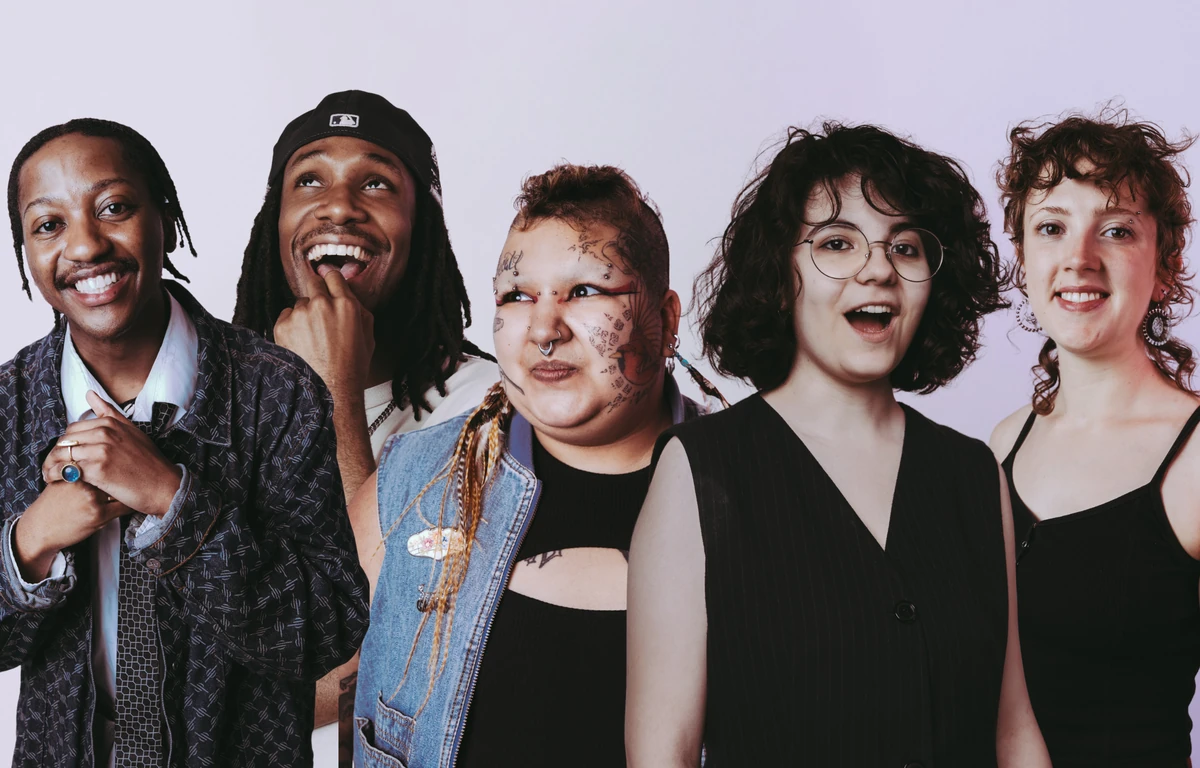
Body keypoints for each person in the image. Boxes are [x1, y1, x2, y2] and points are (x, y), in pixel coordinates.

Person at [626, 123, 1050, 767]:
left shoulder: (972, 472)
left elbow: (1012, 730)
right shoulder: (703, 469)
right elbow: (663, 753)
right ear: (780, 274)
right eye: (837, 243)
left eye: (905, 247)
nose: (878, 269)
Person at [0, 118, 368, 767]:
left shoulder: (277, 391)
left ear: (166, 219)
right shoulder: (9, 404)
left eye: (113, 207)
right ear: (25, 253)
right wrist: (32, 541)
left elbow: (325, 633)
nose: (85, 244)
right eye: (48, 224)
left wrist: (173, 503)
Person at [352, 164, 705, 768]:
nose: (544, 329)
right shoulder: (414, 484)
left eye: (585, 291)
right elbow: (303, 680)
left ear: (667, 319)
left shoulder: (757, 491)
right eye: (517, 296)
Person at [230, 90, 497, 755]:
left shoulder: (488, 408)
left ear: (420, 227)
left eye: (376, 182)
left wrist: (333, 393)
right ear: (274, 223)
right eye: (309, 180)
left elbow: (403, 641)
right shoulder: (217, 401)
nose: (340, 205)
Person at [990, 111, 1200, 768]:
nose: (1078, 259)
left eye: (1116, 230)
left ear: (1165, 266)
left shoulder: (1196, 459)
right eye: (1052, 228)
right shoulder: (1004, 442)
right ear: (1024, 260)